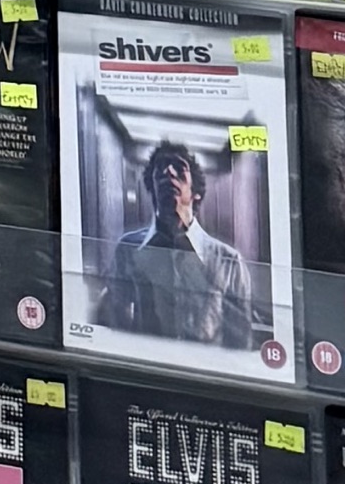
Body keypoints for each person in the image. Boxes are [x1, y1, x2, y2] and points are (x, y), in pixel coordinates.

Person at [101, 141, 254, 346]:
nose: (168, 173)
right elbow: (115, 320)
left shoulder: (228, 260)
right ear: (152, 187)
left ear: (195, 191)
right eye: (160, 168)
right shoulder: (128, 249)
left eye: (179, 168)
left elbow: (240, 340)